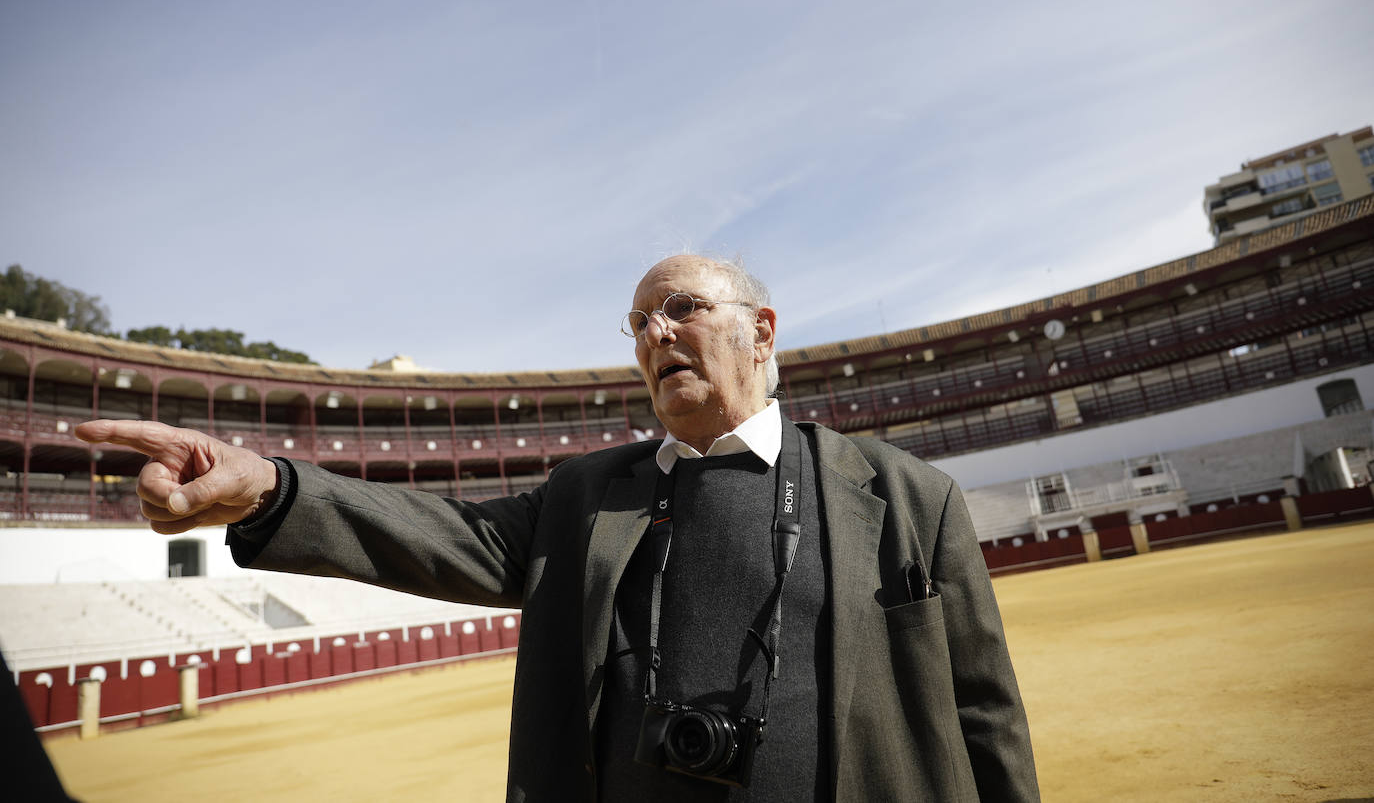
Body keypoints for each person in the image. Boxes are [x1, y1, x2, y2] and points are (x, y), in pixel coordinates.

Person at [76, 255, 1039, 802]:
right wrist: (269, 488)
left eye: (682, 309)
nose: (656, 335)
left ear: (762, 330)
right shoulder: (587, 496)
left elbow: (985, 719)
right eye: (637, 326)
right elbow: (435, 533)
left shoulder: (908, 497)